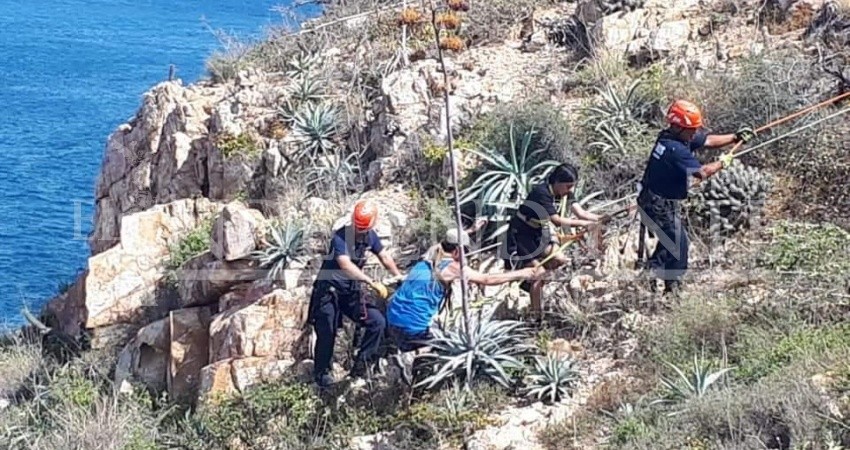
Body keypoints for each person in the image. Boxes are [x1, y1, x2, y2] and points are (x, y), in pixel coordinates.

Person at [386, 228, 544, 383]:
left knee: (432, 336)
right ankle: (410, 361)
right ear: (457, 251)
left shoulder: (429, 258)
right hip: (412, 327)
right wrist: (523, 273)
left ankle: (408, 371)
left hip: (392, 319)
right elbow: (487, 279)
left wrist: (471, 230)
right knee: (444, 347)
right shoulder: (452, 268)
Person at [637, 99, 755, 295]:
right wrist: (723, 163)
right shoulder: (674, 150)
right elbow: (701, 173)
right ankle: (670, 286)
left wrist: (735, 137)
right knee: (678, 244)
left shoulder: (673, 136)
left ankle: (653, 273)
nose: (694, 133)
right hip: (657, 204)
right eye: (691, 129)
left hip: (658, 200)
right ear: (678, 127)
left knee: (673, 241)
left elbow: (707, 140)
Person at [307, 199, 403, 388]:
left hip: (350, 292)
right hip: (329, 291)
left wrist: (398, 275)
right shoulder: (340, 238)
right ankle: (322, 375)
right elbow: (345, 264)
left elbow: (383, 256)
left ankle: (360, 368)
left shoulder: (370, 236)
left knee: (377, 322)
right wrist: (370, 281)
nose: (360, 232)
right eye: (358, 228)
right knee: (327, 332)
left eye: (363, 228)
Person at [502, 163, 603, 318]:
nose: (570, 190)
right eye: (568, 186)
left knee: (560, 260)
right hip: (521, 236)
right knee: (539, 274)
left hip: (537, 233)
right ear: (557, 182)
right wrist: (585, 225)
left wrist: (600, 219)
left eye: (572, 186)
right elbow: (556, 220)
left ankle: (533, 288)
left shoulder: (565, 191)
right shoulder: (541, 193)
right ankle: (537, 316)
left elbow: (580, 213)